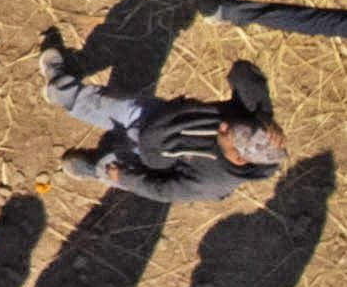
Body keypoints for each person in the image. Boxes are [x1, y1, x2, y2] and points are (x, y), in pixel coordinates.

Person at [38, 36, 284, 202]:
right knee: (99, 103)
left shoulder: (211, 183)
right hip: (154, 117)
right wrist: (263, 112)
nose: (223, 124)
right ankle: (60, 90)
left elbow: (162, 189)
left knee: (113, 169)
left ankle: (97, 170)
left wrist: (126, 178)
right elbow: (242, 71)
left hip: (147, 157)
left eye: (227, 134)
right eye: (232, 124)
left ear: (239, 158)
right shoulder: (253, 120)